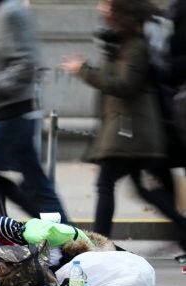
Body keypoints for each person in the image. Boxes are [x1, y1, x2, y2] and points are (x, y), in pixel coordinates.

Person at [60, 0, 186, 251]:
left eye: (107, 5)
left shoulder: (136, 46)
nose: (101, 9)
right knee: (143, 189)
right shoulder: (124, 43)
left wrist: (84, 70)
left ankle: (97, 246)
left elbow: (124, 85)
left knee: (106, 184)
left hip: (131, 132)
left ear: (122, 13)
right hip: (128, 130)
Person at [0, 0, 69, 222]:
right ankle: (73, 240)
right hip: (0, 114)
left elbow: (26, 63)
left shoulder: (10, 12)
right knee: (39, 187)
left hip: (8, 115)